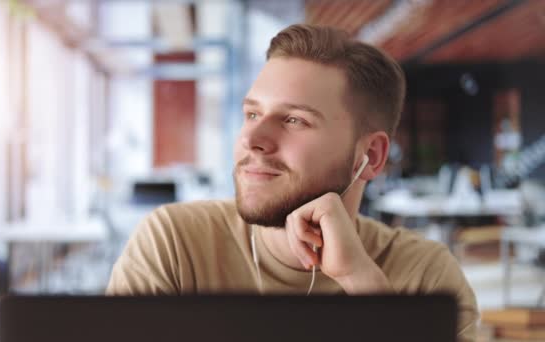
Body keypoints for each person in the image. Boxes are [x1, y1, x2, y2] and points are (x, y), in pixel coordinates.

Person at [107, 24, 478, 341]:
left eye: (294, 120)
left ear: (372, 157)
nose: (252, 138)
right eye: (252, 113)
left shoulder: (425, 278)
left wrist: (361, 280)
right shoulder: (174, 243)